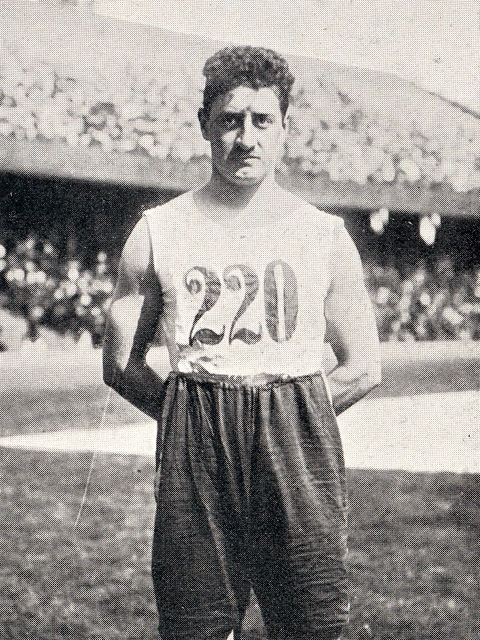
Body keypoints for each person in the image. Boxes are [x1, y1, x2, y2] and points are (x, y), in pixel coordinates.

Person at [103, 45, 381, 640]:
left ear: (286, 127)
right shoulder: (158, 230)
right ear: (204, 124)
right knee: (195, 624)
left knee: (310, 623)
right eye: (230, 120)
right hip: (197, 439)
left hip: (296, 439)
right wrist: (188, 416)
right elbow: (121, 363)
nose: (246, 138)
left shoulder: (323, 235)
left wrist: (295, 416)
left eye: (262, 120)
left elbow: (364, 365)